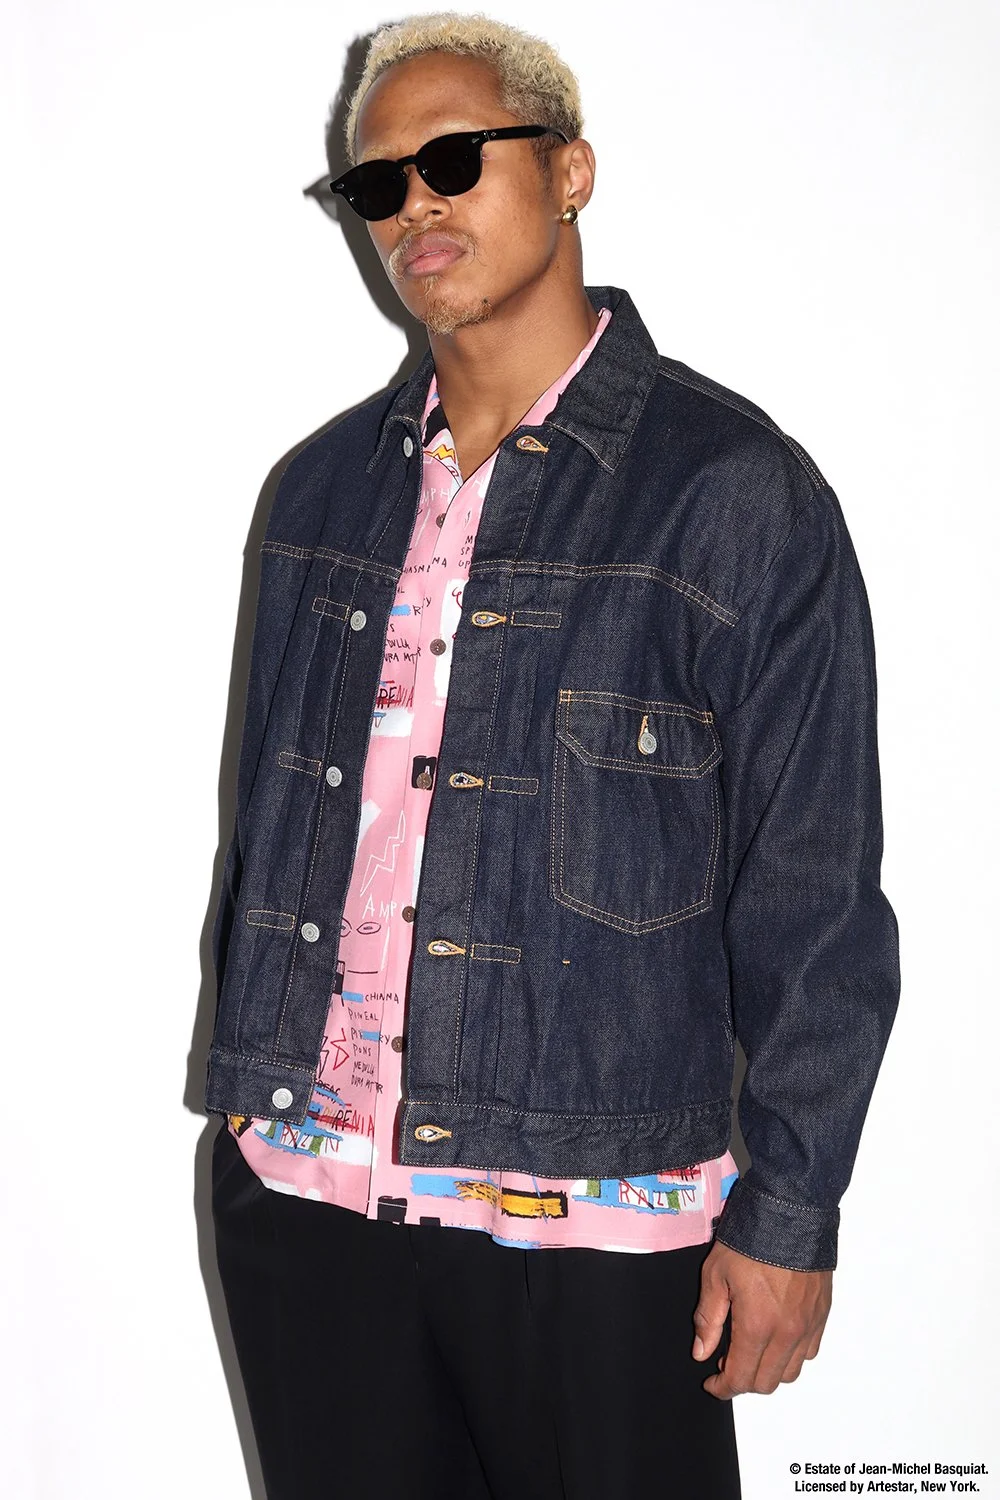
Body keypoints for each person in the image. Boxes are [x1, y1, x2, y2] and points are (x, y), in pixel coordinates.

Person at [206, 12, 900, 1499]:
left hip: (597, 1222)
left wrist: (791, 1212)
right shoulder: (318, 491)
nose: (414, 205)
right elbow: (261, 836)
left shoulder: (732, 494)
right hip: (310, 1198)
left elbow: (816, 886)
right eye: (376, 183)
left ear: (570, 170)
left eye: (454, 158)